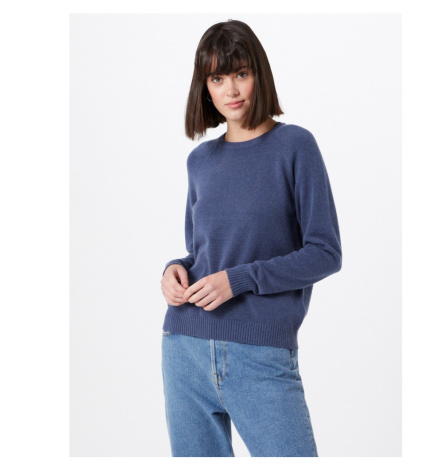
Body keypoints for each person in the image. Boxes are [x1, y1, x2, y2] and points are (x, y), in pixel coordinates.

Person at [160, 19, 342, 457]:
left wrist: (238, 280)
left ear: (259, 74)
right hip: (184, 348)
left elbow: (325, 252)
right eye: (217, 79)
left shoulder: (295, 146)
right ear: (205, 88)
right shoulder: (200, 160)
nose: (231, 89)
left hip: (260, 353)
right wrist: (174, 269)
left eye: (241, 73)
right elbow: (203, 252)